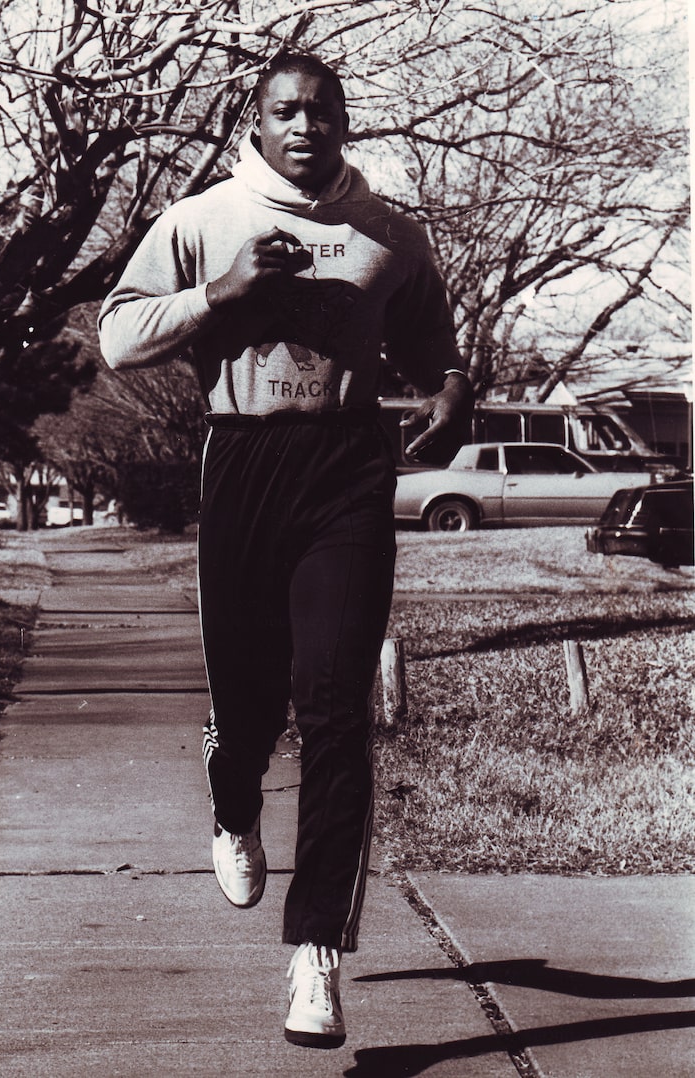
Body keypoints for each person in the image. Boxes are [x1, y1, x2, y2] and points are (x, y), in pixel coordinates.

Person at [98, 51, 473, 1050]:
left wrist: (447, 394)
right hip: (242, 462)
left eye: (321, 111)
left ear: (343, 122)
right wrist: (217, 295)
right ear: (255, 124)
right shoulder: (201, 219)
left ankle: (315, 955)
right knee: (251, 698)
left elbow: (435, 354)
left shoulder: (390, 234)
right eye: (284, 111)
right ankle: (232, 800)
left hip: (347, 467)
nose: (303, 125)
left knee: (335, 704)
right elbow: (119, 337)